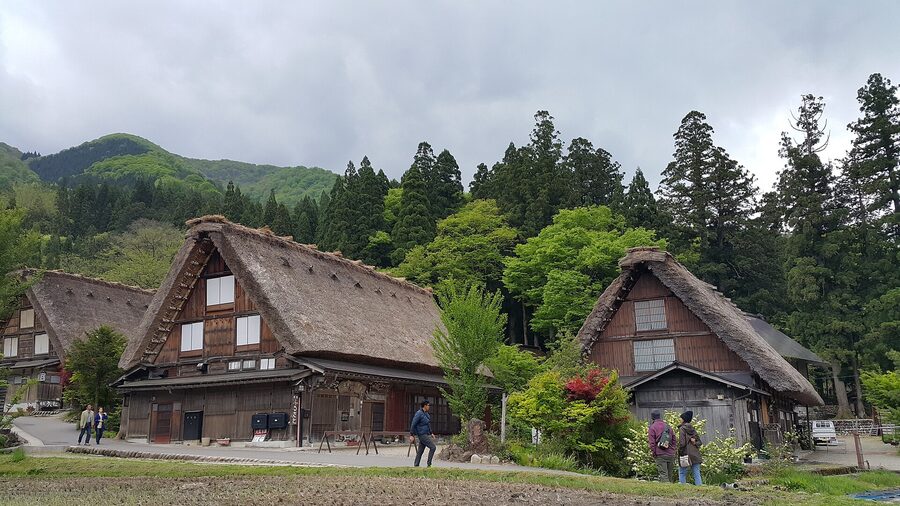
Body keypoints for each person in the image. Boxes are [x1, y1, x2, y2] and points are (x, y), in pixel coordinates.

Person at [648, 410, 676, 482]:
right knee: (670, 475)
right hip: (670, 454)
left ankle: (667, 492)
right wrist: (673, 450)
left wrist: (654, 453)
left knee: (663, 475)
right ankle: (672, 491)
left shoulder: (652, 427)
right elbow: (674, 439)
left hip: (660, 454)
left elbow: (652, 443)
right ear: (660, 416)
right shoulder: (668, 426)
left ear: (652, 418)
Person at [677, 410, 703, 485]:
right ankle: (700, 488)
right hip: (695, 454)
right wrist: (694, 442)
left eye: (681, 418)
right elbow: (700, 442)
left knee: (682, 472)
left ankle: (683, 488)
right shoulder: (693, 429)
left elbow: (682, 443)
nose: (680, 419)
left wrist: (680, 452)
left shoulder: (682, 428)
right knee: (696, 473)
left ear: (684, 419)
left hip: (685, 454)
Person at [409, 400, 436, 467]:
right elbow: (413, 424)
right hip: (421, 434)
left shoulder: (426, 414)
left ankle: (416, 465)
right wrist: (411, 434)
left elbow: (428, 424)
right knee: (433, 447)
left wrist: (431, 433)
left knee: (420, 451)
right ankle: (429, 464)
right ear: (425, 406)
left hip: (425, 433)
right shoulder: (419, 413)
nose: (429, 407)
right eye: (428, 405)